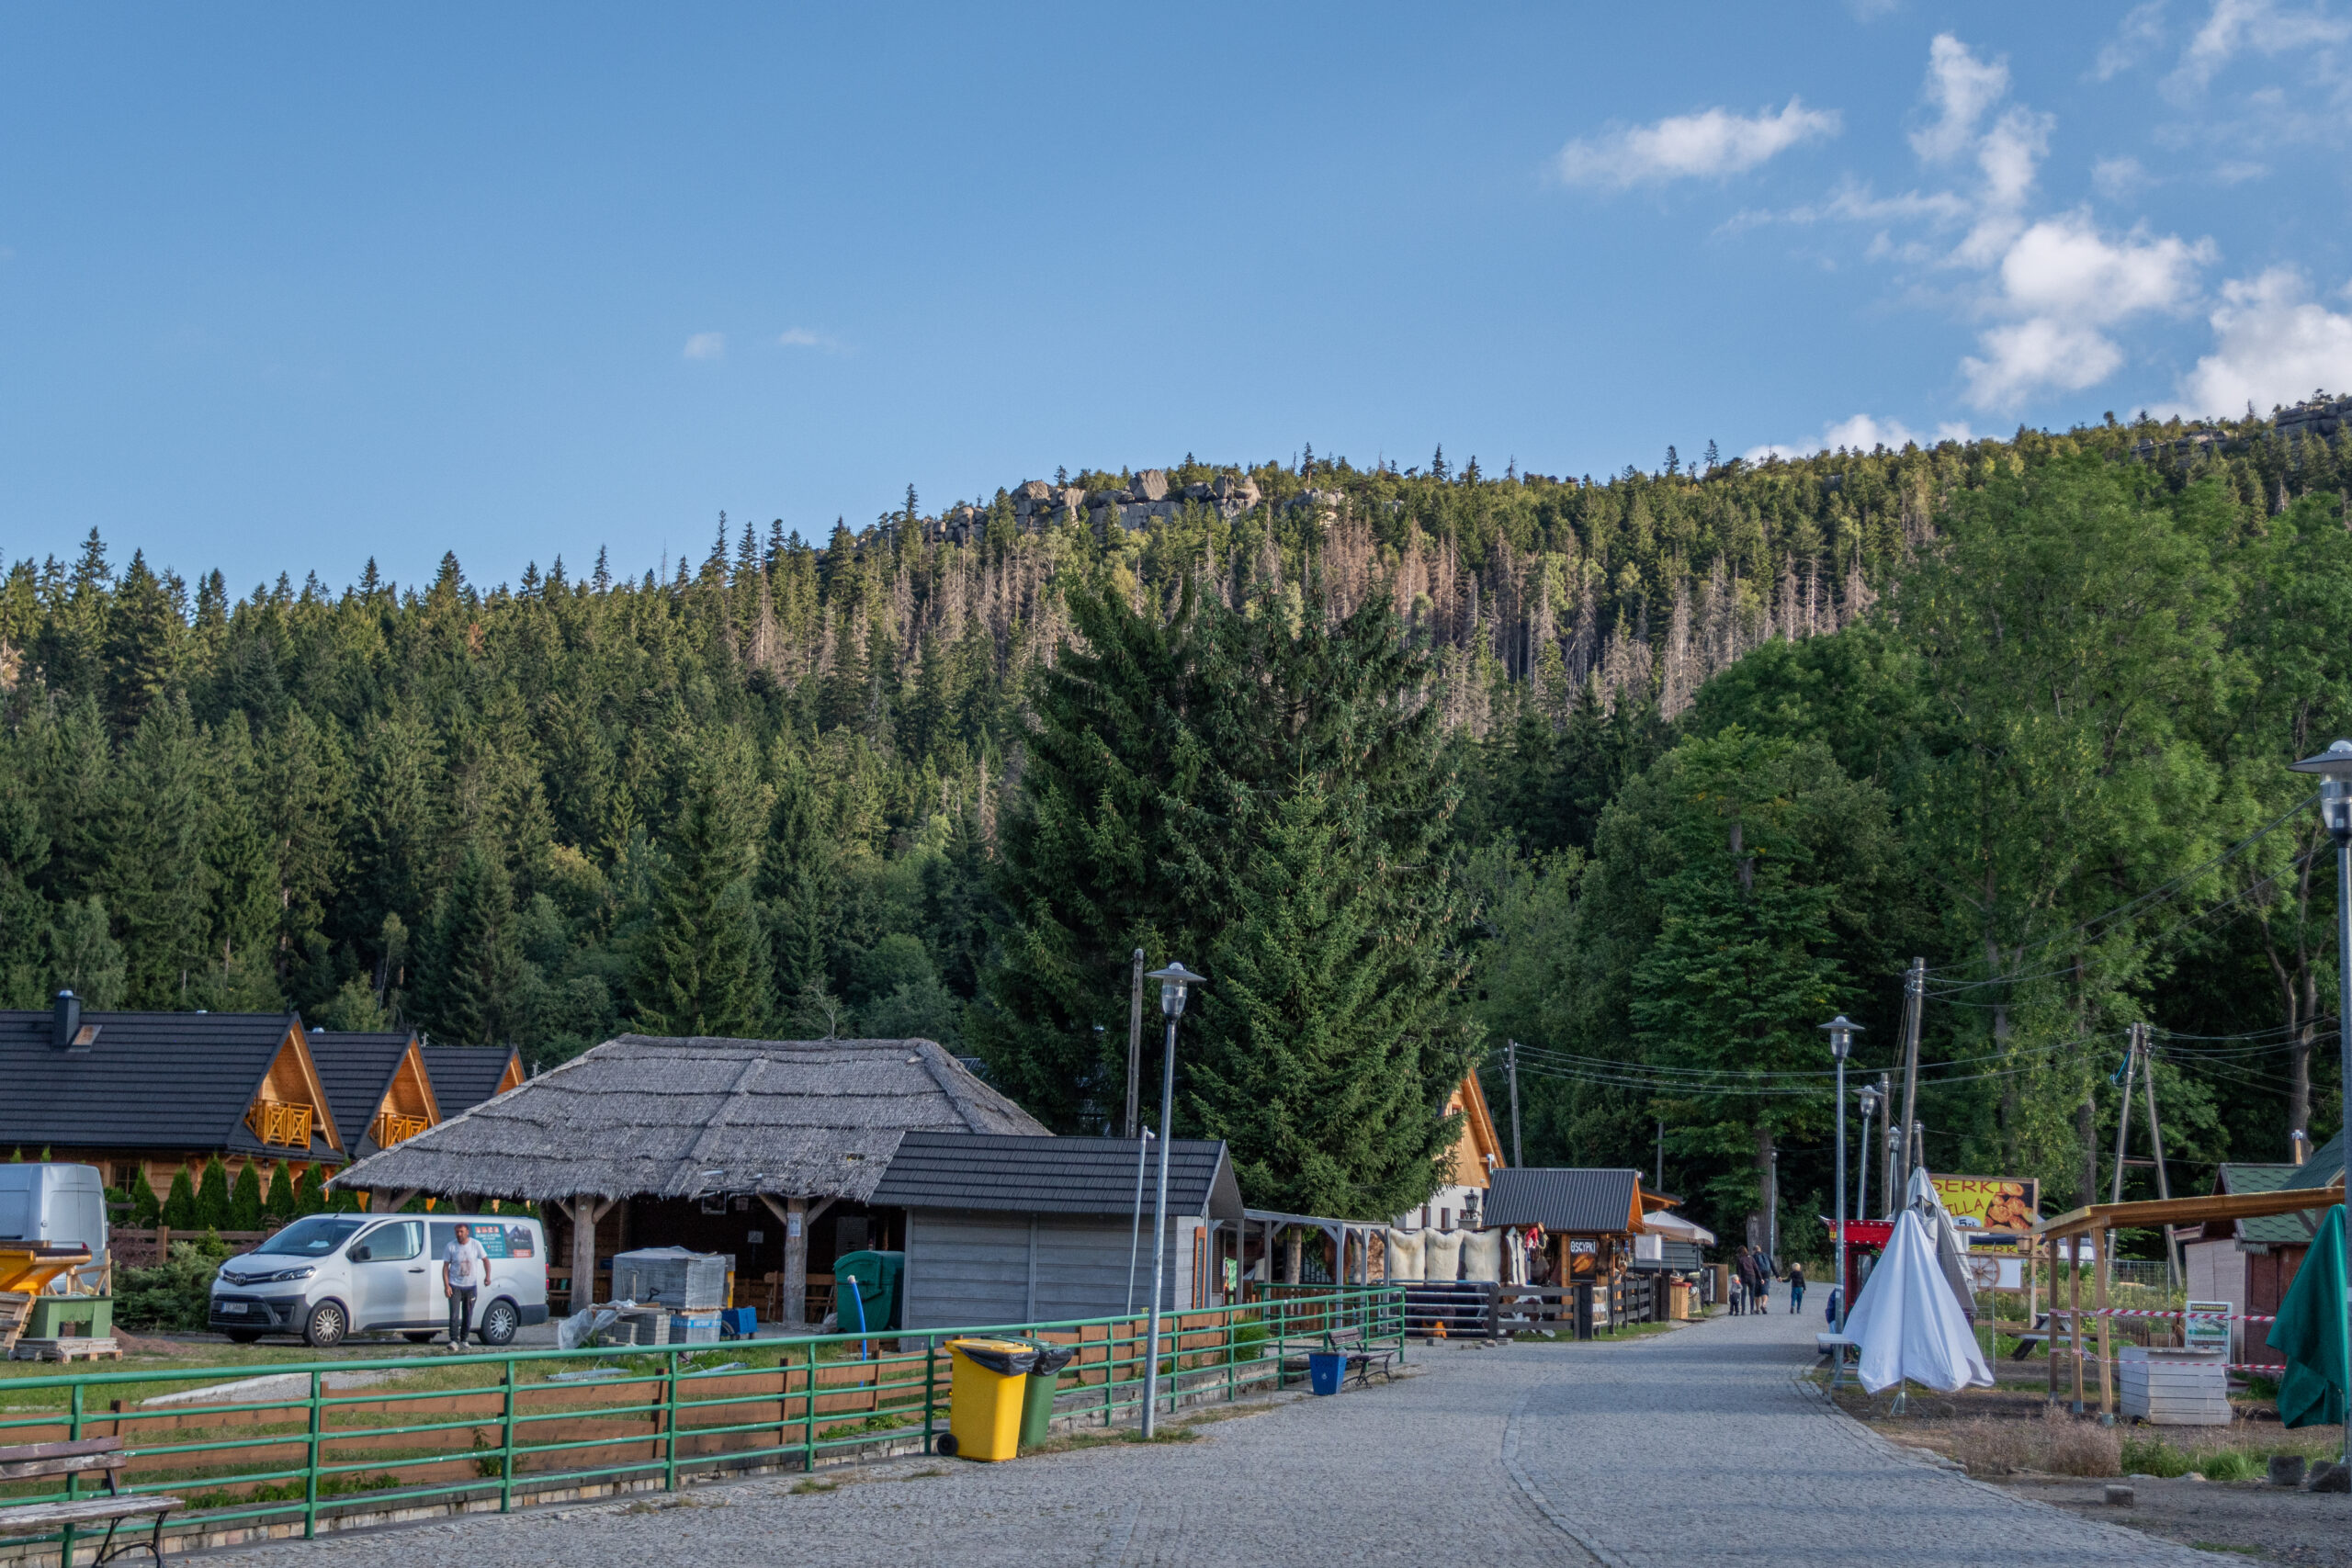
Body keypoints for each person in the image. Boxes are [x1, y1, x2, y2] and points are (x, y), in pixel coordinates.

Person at [443, 1222, 491, 1351]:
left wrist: (487, 1277)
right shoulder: (451, 1246)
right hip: (455, 1285)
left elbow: (486, 1260)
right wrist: (447, 1286)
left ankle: (464, 1340)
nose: (459, 1234)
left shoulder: (475, 1244)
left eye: (461, 1232)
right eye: (457, 1232)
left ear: (467, 1232)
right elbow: (446, 1267)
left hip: (470, 1286)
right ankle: (453, 1340)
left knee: (468, 1314)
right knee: (454, 1314)